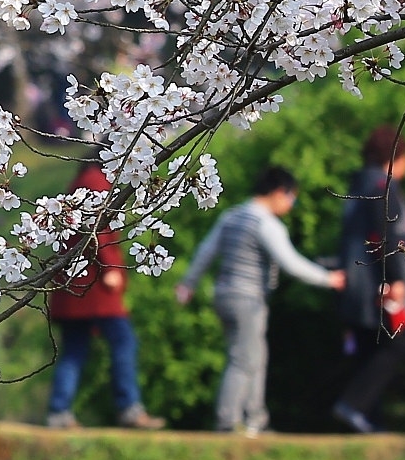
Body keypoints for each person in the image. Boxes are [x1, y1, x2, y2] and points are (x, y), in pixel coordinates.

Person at [177, 165, 345, 436]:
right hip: (248, 298)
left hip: (223, 295)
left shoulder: (231, 216)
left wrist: (188, 284)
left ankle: (256, 419)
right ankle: (227, 421)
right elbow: (290, 263)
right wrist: (329, 279)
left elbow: (205, 251)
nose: (292, 205)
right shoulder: (265, 223)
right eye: (293, 198)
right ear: (280, 193)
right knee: (244, 359)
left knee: (254, 356)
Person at [42, 161, 167, 430]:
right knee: (123, 340)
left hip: (76, 284)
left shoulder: (88, 178)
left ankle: (59, 412)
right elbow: (98, 227)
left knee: (75, 348)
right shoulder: (95, 180)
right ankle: (128, 407)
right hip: (93, 283)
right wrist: (110, 265)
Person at [331, 126, 405, 434]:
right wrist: (395, 278)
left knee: (369, 349)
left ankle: (366, 420)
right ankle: (354, 405)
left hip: (353, 282)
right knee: (397, 345)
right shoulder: (383, 186)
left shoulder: (357, 185)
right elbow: (387, 235)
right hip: (376, 283)